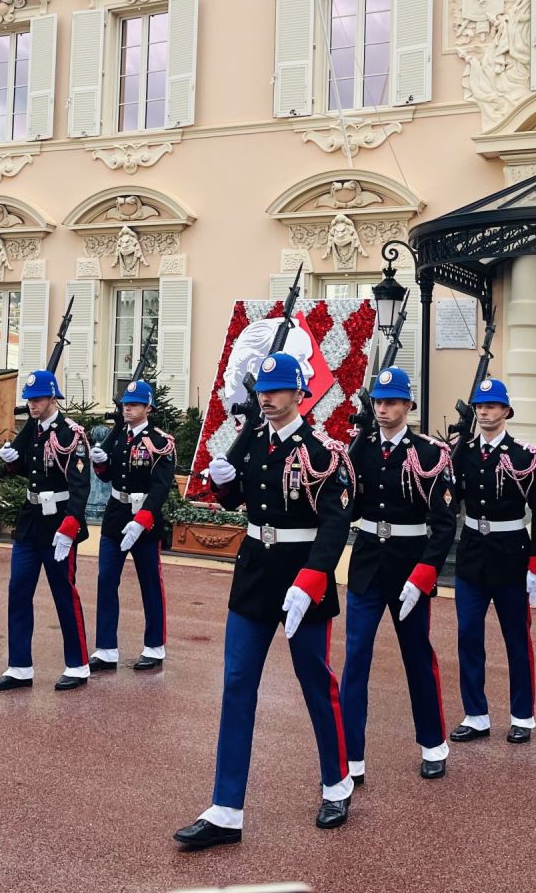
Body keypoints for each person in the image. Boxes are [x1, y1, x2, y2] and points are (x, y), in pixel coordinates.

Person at [174, 352, 354, 852]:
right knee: (236, 683)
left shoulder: (323, 452)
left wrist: (312, 578)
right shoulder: (253, 440)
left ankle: (337, 783)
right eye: (262, 391)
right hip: (255, 570)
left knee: (315, 681)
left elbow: (335, 523)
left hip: (301, 575)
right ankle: (226, 809)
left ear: (300, 394)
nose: (267, 398)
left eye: (276, 391)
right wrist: (223, 482)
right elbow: (237, 502)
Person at [339, 366, 457, 782]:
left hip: (409, 567)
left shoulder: (429, 453)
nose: (383, 409)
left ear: (408, 405)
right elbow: (346, 507)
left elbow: (444, 524)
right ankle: (350, 758)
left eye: (391, 402)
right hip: (367, 564)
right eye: (378, 402)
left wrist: (425, 573)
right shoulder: (360, 449)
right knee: (355, 659)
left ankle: (433, 744)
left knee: (417, 657)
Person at [446, 377, 536, 747]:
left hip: (511, 556)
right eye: (480, 406)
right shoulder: (464, 452)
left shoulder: (524, 456)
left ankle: (522, 716)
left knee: (516, 639)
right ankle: (475, 715)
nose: (484, 412)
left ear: (506, 410)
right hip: (473, 555)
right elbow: (450, 498)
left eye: (491, 406)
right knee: (468, 637)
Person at [0, 369, 93, 693]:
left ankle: (77, 665)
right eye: (30, 400)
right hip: (31, 519)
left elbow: (80, 486)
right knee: (19, 591)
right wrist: (11, 460)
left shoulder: (71, 434)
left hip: (59, 522)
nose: (32, 404)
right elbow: (29, 469)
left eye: (38, 399)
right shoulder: (32, 430)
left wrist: (70, 527)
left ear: (53, 398)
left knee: (64, 594)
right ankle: (19, 666)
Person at [89, 380, 174, 673]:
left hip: (145, 519)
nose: (127, 409)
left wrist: (143, 520)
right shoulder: (117, 437)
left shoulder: (160, 442)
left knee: (150, 583)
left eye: (134, 405)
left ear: (148, 408)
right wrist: (100, 464)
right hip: (116, 514)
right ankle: (106, 649)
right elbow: (107, 477)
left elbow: (161, 487)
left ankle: (154, 647)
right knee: (106, 580)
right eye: (126, 404)